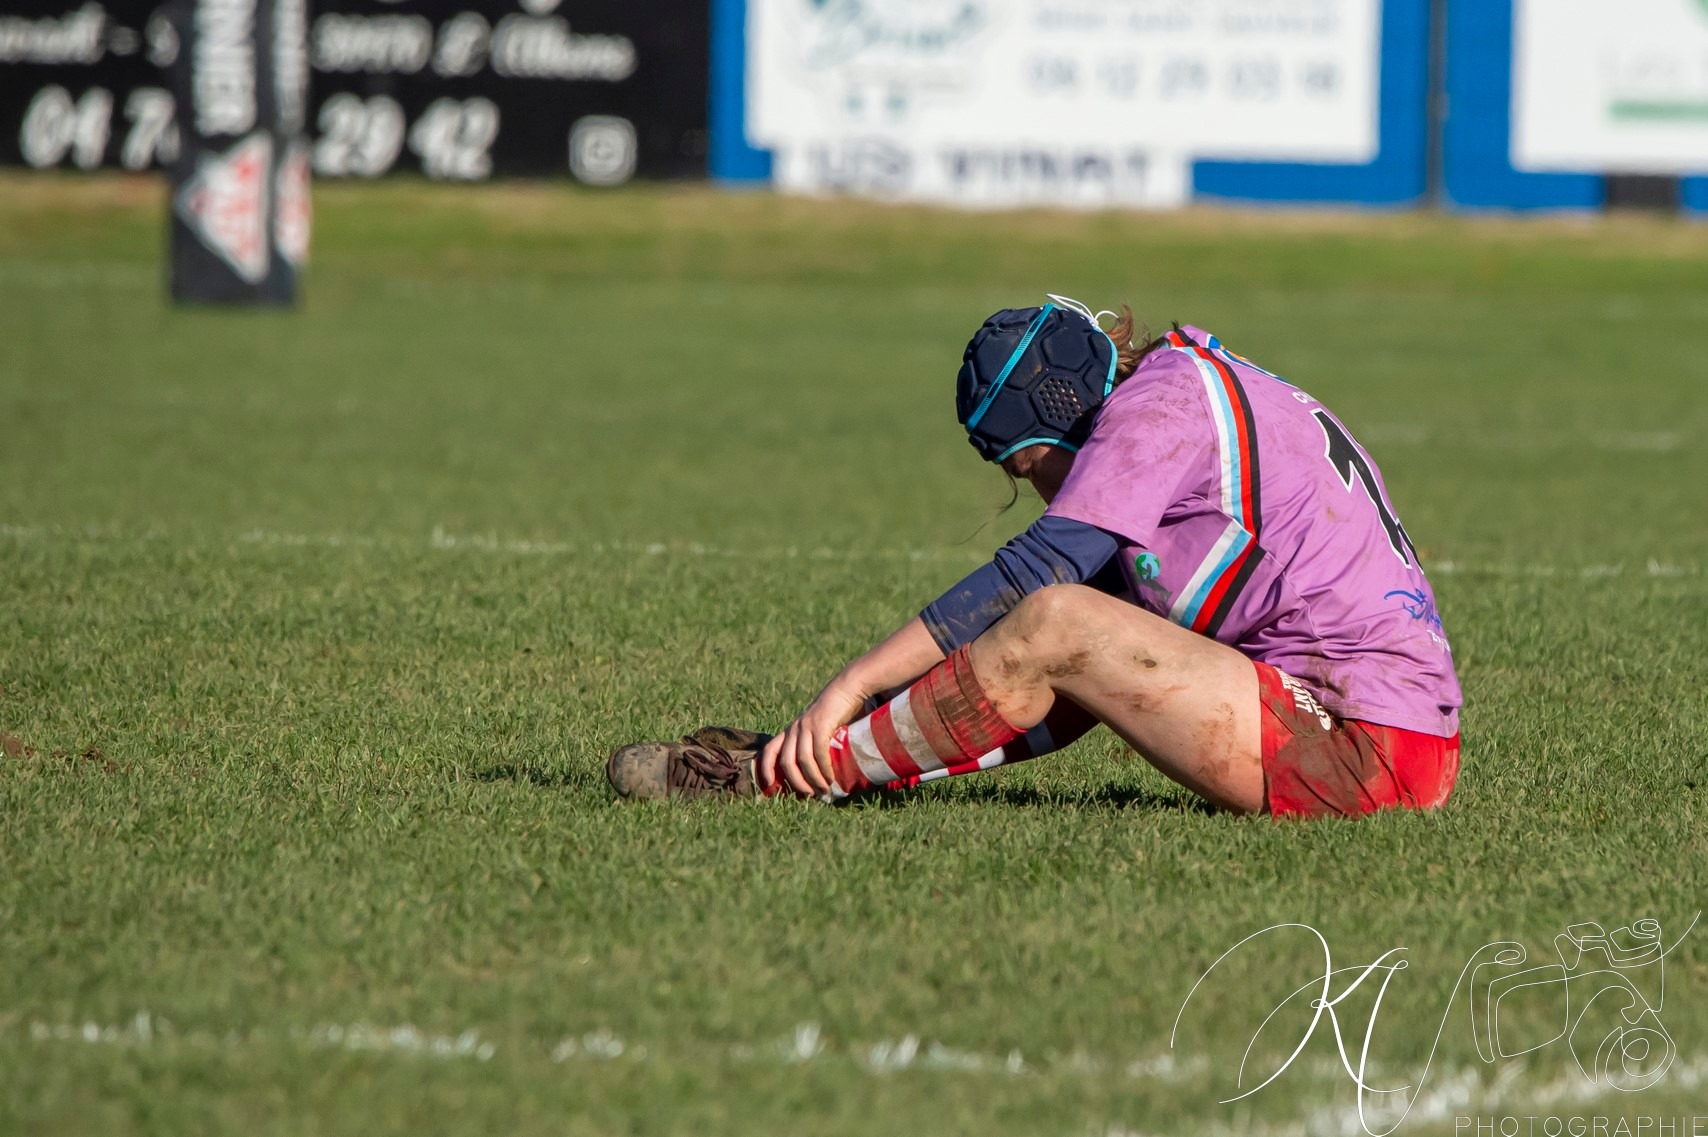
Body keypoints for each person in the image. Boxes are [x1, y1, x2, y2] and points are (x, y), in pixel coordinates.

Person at [606, 296, 1462, 818]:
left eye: (1028, 469)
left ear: (1059, 424)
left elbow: (1038, 580)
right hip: (1386, 732)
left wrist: (852, 686)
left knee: (1056, 613)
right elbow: (1041, 685)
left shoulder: (1157, 412)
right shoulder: (1182, 385)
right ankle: (817, 765)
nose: (1048, 491)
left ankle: (775, 781)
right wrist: (868, 730)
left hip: (1366, 750)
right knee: (1066, 625)